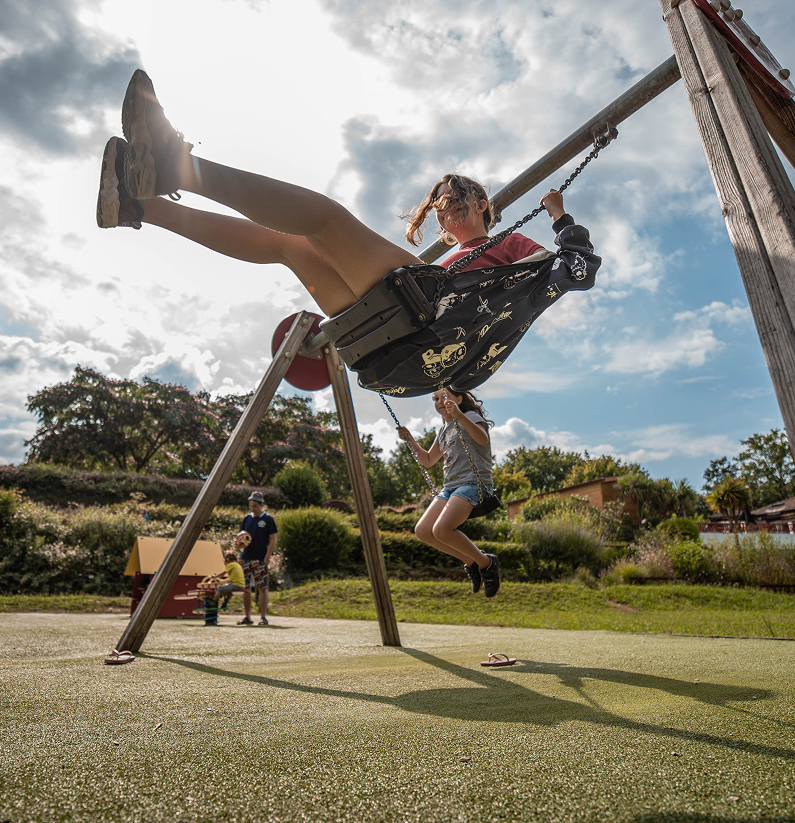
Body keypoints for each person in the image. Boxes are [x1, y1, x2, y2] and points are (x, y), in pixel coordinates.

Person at [97, 70, 601, 396]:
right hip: (392, 351)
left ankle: (172, 168)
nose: (449, 210)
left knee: (326, 221)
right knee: (288, 244)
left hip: (425, 328)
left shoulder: (506, 246)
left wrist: (559, 217)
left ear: (485, 205)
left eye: (458, 198)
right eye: (441, 206)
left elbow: (575, 271)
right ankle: (139, 207)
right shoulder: (447, 264)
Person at [397, 387, 500, 597]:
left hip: (473, 483)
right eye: (435, 399)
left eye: (444, 397)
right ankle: (471, 560)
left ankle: (487, 564)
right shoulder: (443, 430)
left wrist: (459, 416)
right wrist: (410, 440)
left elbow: (482, 440)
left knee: (442, 530)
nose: (439, 401)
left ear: (459, 399)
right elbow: (428, 460)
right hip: (450, 487)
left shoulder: (469, 416)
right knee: (423, 531)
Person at [238, 492, 277, 626]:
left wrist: (267, 557)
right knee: (246, 588)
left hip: (260, 559)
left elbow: (273, 539)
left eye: (254, 505)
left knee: (262, 588)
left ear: (261, 505)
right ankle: (247, 617)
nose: (252, 508)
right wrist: (238, 544)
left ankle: (263, 617)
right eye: (250, 505)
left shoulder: (268, 519)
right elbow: (241, 537)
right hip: (245, 558)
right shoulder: (246, 519)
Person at [200, 547, 248, 626]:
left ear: (227, 560)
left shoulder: (231, 565)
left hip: (235, 585)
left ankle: (213, 602)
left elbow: (222, 574)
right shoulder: (237, 565)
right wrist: (222, 581)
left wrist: (214, 577)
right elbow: (230, 579)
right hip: (241, 585)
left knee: (219, 589)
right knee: (227, 590)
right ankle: (225, 602)